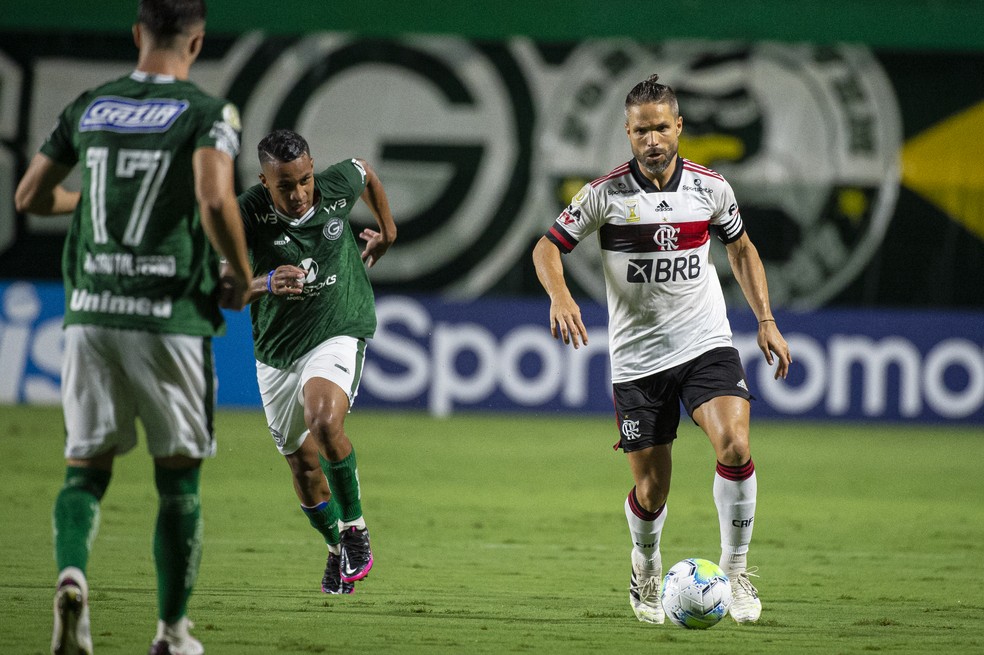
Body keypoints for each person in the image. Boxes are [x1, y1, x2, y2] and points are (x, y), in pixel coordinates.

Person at [14, 0, 252, 652]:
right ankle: (172, 632)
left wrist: (89, 199)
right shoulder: (209, 113)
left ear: (136, 33)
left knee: (84, 471)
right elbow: (213, 196)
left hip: (91, 312)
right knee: (178, 481)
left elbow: (30, 197)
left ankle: (72, 577)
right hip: (168, 316)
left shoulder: (90, 105)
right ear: (196, 43)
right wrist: (239, 271)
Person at [532, 73, 792, 626]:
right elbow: (546, 249)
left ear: (679, 127)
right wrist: (560, 296)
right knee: (651, 491)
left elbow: (742, 249)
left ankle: (735, 571)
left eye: (661, 128)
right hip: (639, 361)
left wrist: (765, 320)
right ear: (627, 133)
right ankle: (646, 566)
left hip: (705, 343)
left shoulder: (710, 188)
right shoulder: (603, 195)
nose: (652, 140)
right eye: (640, 131)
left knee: (735, 446)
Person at [225, 128, 396, 595]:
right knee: (302, 467)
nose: (299, 193)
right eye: (286, 185)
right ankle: (335, 546)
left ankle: (354, 528)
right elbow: (219, 287)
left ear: (312, 168)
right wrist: (264, 283)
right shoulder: (244, 214)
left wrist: (388, 232)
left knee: (323, 420)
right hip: (277, 350)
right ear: (264, 181)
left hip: (338, 326)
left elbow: (365, 171)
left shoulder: (336, 184)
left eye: (305, 180)